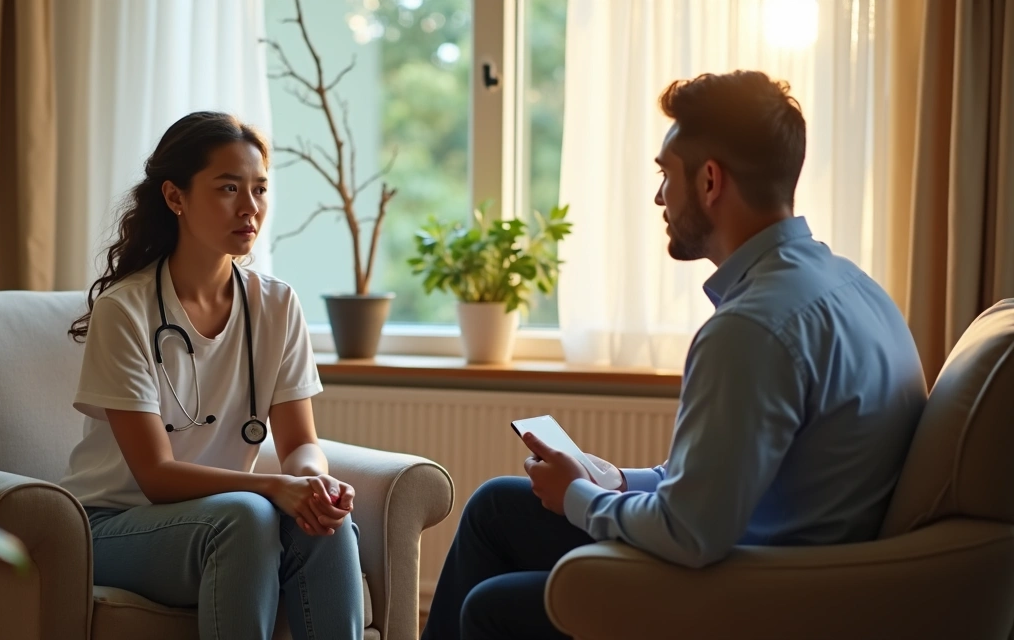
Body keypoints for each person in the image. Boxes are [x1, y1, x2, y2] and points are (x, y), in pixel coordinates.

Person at [420, 70, 928, 639]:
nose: (659, 196)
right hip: (780, 562)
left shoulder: (752, 328)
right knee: (497, 507)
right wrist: (616, 479)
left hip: (757, 594)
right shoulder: (851, 286)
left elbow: (688, 534)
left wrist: (578, 497)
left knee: (492, 606)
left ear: (710, 180)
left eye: (666, 175)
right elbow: (722, 480)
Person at [60, 111, 364, 639]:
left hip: (226, 516)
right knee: (248, 515)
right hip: (108, 525)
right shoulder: (125, 311)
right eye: (228, 188)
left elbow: (300, 442)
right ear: (175, 197)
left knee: (324, 525)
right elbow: (155, 475)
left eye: (260, 189)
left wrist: (312, 479)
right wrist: (274, 487)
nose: (250, 208)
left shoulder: (276, 304)